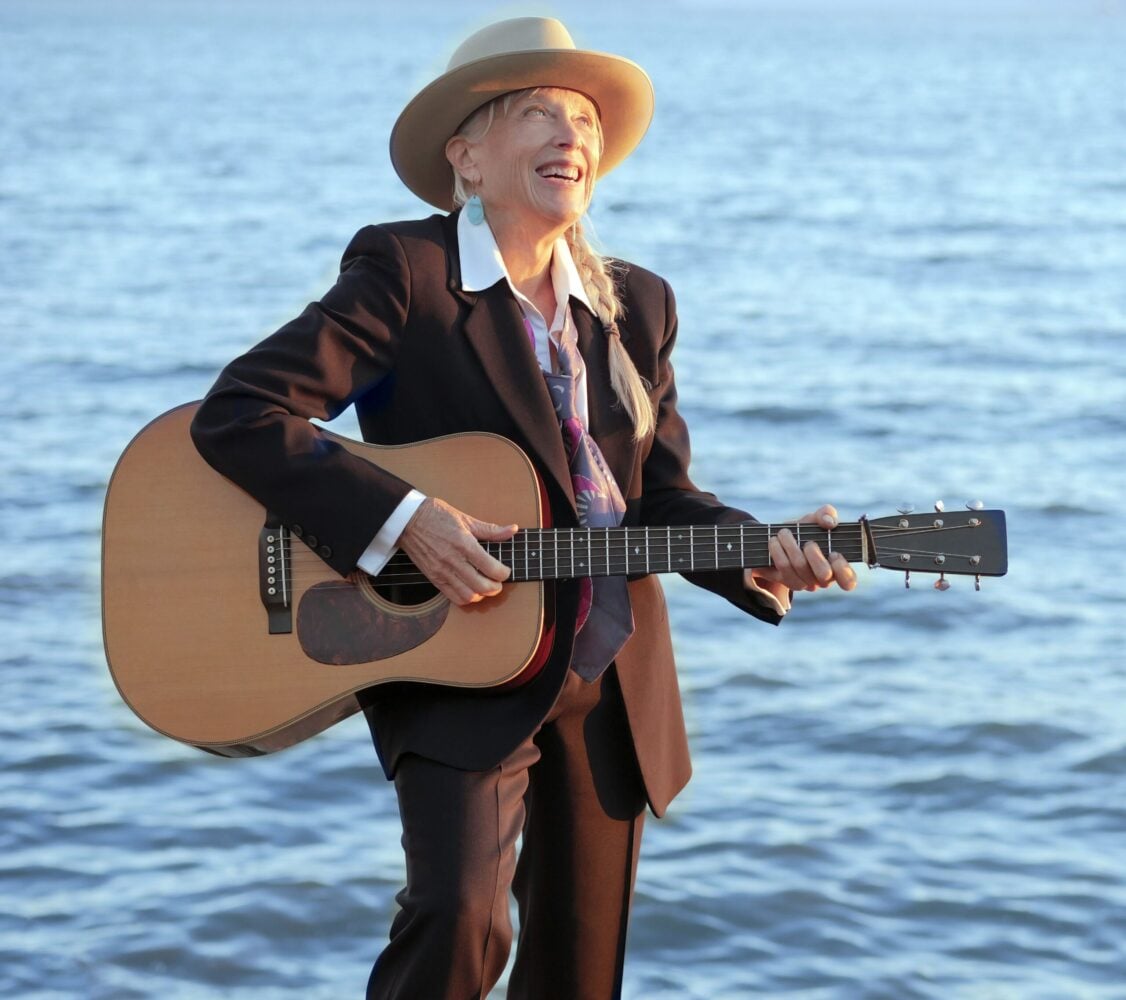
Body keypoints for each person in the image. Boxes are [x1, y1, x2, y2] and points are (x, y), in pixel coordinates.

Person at [190, 16, 857, 999]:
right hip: (457, 661)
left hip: (608, 669)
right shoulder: (404, 274)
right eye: (537, 113)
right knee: (457, 923)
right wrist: (404, 517)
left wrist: (759, 548)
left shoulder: (639, 304)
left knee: (578, 971)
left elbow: (658, 502)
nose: (571, 136)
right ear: (465, 153)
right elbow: (241, 412)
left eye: (584, 120)